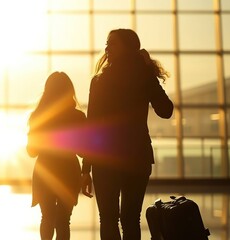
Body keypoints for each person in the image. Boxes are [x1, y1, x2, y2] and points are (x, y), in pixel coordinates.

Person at [80, 29, 174, 240]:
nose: (107, 48)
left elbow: (92, 125)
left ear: (128, 47)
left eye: (112, 43)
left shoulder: (99, 81)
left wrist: (86, 168)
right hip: (137, 157)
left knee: (109, 219)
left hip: (106, 159)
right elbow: (166, 110)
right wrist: (149, 71)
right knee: (131, 219)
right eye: (107, 43)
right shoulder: (144, 76)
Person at [27, 72, 86, 240]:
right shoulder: (78, 117)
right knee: (63, 221)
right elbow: (84, 151)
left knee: (47, 218)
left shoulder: (38, 117)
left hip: (45, 170)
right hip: (68, 171)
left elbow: (32, 151)